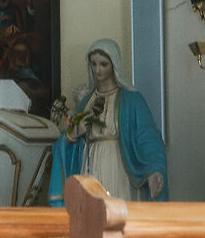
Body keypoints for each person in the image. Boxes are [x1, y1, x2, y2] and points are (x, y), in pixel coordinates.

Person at [48, 39, 166, 204]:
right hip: (90, 163)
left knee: (116, 208)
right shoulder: (86, 101)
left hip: (119, 165)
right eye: (93, 64)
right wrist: (74, 134)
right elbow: (67, 142)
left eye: (103, 64)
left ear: (114, 65)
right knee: (92, 211)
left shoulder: (131, 100)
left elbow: (148, 137)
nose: (97, 70)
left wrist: (154, 171)